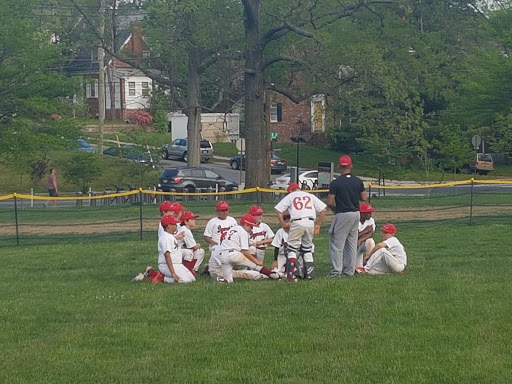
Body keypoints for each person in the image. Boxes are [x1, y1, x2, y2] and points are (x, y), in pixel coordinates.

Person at [275, 183, 326, 281]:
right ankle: (310, 274)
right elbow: (323, 210)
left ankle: (291, 275)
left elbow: (278, 210)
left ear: (290, 191)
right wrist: (318, 224)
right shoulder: (309, 195)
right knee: (307, 248)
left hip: (297, 221)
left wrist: (283, 224)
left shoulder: (291, 195)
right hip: (310, 222)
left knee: (291, 248)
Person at [327, 155, 367, 278]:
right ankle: (349, 271)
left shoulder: (335, 183)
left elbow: (330, 202)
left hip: (343, 213)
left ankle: (336, 272)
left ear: (339, 167)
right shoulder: (358, 181)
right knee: (351, 243)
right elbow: (364, 198)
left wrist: (334, 209)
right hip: (356, 213)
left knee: (337, 244)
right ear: (351, 166)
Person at [213, 214, 280, 283]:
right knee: (256, 265)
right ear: (245, 224)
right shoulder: (243, 231)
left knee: (228, 280)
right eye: (251, 226)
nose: (252, 229)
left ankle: (220, 280)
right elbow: (245, 251)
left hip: (223, 256)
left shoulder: (232, 229)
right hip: (234, 254)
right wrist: (256, 261)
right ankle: (275, 276)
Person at [153, 215, 196, 284]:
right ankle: (163, 278)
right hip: (166, 265)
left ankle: (166, 276)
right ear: (169, 225)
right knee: (185, 281)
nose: (177, 226)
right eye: (175, 224)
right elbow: (167, 255)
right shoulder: (165, 237)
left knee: (192, 279)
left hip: (177, 264)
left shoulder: (170, 236)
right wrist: (173, 273)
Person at [202, 201, 237, 274]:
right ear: (217, 211)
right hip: (217, 245)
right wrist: (212, 242)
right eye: (222, 211)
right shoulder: (213, 222)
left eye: (226, 210)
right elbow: (206, 236)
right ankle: (210, 267)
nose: (224, 212)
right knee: (221, 263)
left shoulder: (232, 220)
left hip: (230, 245)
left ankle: (208, 266)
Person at [356, 203, 376, 269]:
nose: (370, 214)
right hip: (353, 244)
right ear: (362, 214)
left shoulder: (371, 220)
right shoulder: (355, 220)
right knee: (357, 268)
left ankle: (369, 264)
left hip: (362, 242)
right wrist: (365, 231)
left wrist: (360, 239)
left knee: (370, 241)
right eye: (368, 212)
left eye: (370, 212)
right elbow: (353, 236)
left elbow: (370, 234)